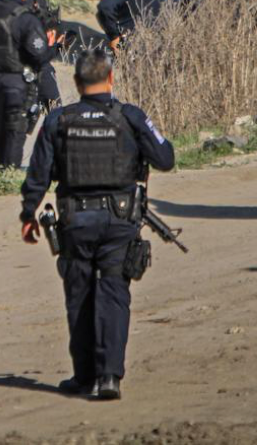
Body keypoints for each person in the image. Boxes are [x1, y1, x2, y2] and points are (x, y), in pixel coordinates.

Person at [19, 50, 176, 400]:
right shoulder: (130, 116)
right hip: (120, 220)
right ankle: (109, 378)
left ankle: (84, 375)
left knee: (80, 295)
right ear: (111, 79)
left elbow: (38, 175)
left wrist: (28, 214)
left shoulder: (58, 119)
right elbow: (165, 158)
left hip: (76, 221)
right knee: (114, 295)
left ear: (76, 84)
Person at [0, 0, 56, 168]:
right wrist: (55, 46)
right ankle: (8, 175)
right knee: (15, 131)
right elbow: (38, 55)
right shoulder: (25, 18)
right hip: (17, 82)